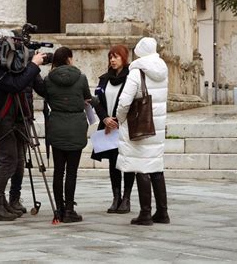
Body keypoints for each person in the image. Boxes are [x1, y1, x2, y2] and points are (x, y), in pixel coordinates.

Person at [0, 32, 45, 221]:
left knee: (0, 159)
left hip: (4, 117)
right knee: (9, 160)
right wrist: (34, 64)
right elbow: (17, 84)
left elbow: (17, 77)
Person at [116, 37, 170, 226]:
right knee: (156, 167)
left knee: (141, 168)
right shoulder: (162, 70)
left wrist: (120, 118)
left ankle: (145, 213)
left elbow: (124, 102)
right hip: (156, 125)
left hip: (139, 126)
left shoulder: (136, 72)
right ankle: (162, 212)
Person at [34, 47, 91, 223]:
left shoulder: (49, 80)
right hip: (76, 128)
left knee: (59, 171)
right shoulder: (81, 78)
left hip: (57, 126)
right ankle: (69, 210)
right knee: (71, 172)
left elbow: (41, 91)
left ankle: (58, 209)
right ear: (69, 59)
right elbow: (87, 97)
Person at [91, 45, 135, 214]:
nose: (112, 60)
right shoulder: (104, 79)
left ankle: (126, 198)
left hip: (125, 126)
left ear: (124, 58)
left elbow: (133, 101)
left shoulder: (131, 78)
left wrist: (118, 119)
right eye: (110, 57)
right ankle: (116, 197)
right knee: (113, 162)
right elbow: (97, 101)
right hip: (108, 126)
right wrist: (105, 118)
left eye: (116, 57)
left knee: (127, 162)